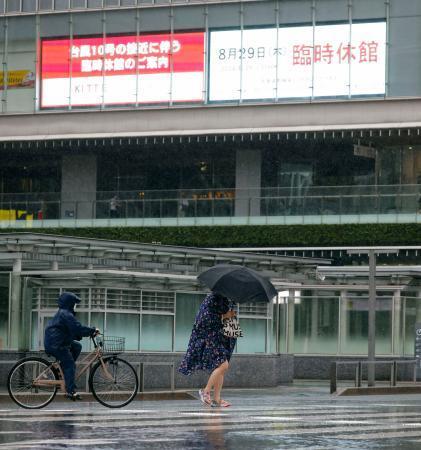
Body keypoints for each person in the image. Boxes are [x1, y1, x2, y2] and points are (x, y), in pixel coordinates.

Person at [178, 292, 237, 407]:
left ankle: (217, 399)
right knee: (223, 365)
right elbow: (205, 319)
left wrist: (229, 316)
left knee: (221, 368)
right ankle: (205, 391)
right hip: (209, 338)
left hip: (219, 338)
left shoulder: (225, 300)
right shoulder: (212, 298)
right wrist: (224, 316)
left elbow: (228, 322)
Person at [44, 292, 98, 401]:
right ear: (69, 303)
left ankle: (64, 372)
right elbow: (77, 327)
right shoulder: (66, 314)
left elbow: (71, 330)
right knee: (70, 364)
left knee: (77, 347)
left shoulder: (64, 313)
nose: (75, 306)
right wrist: (92, 330)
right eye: (74, 303)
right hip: (57, 344)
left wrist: (81, 334)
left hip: (57, 341)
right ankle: (70, 391)